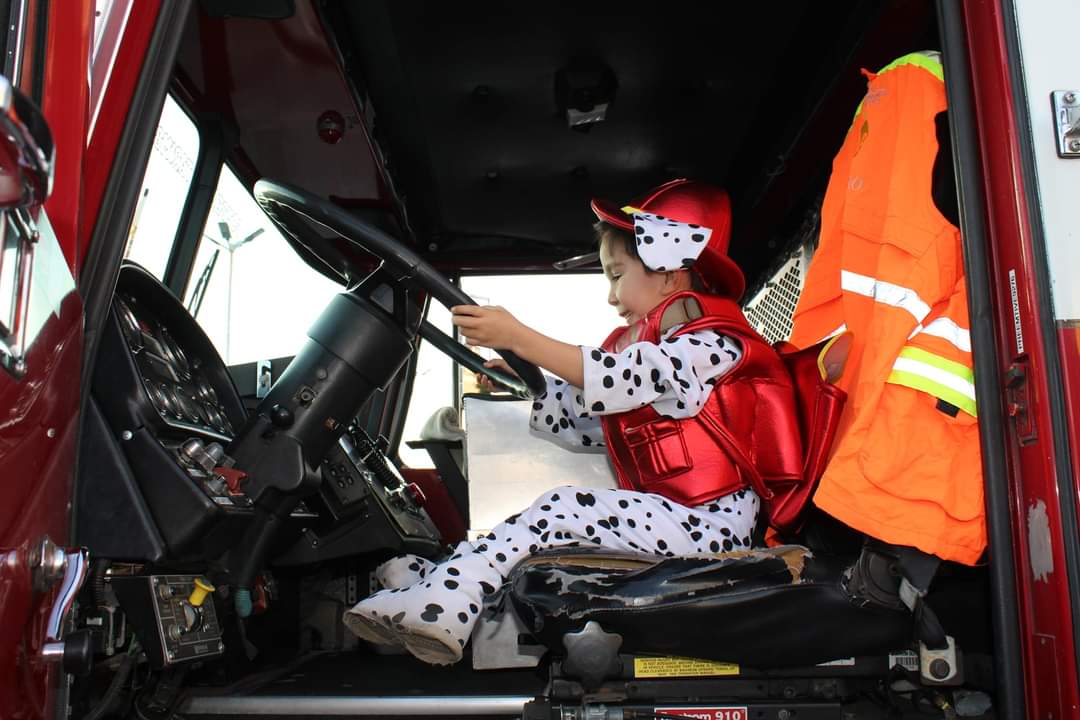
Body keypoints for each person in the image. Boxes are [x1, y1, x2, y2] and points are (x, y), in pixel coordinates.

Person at [343, 179, 804, 665]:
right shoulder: (662, 347)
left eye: (616, 274)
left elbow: (625, 379)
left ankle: (446, 601)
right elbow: (599, 424)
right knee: (555, 512)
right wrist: (532, 381)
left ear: (669, 273)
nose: (610, 295)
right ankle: (449, 579)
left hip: (713, 527)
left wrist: (521, 336)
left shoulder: (711, 345)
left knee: (563, 508)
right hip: (679, 518)